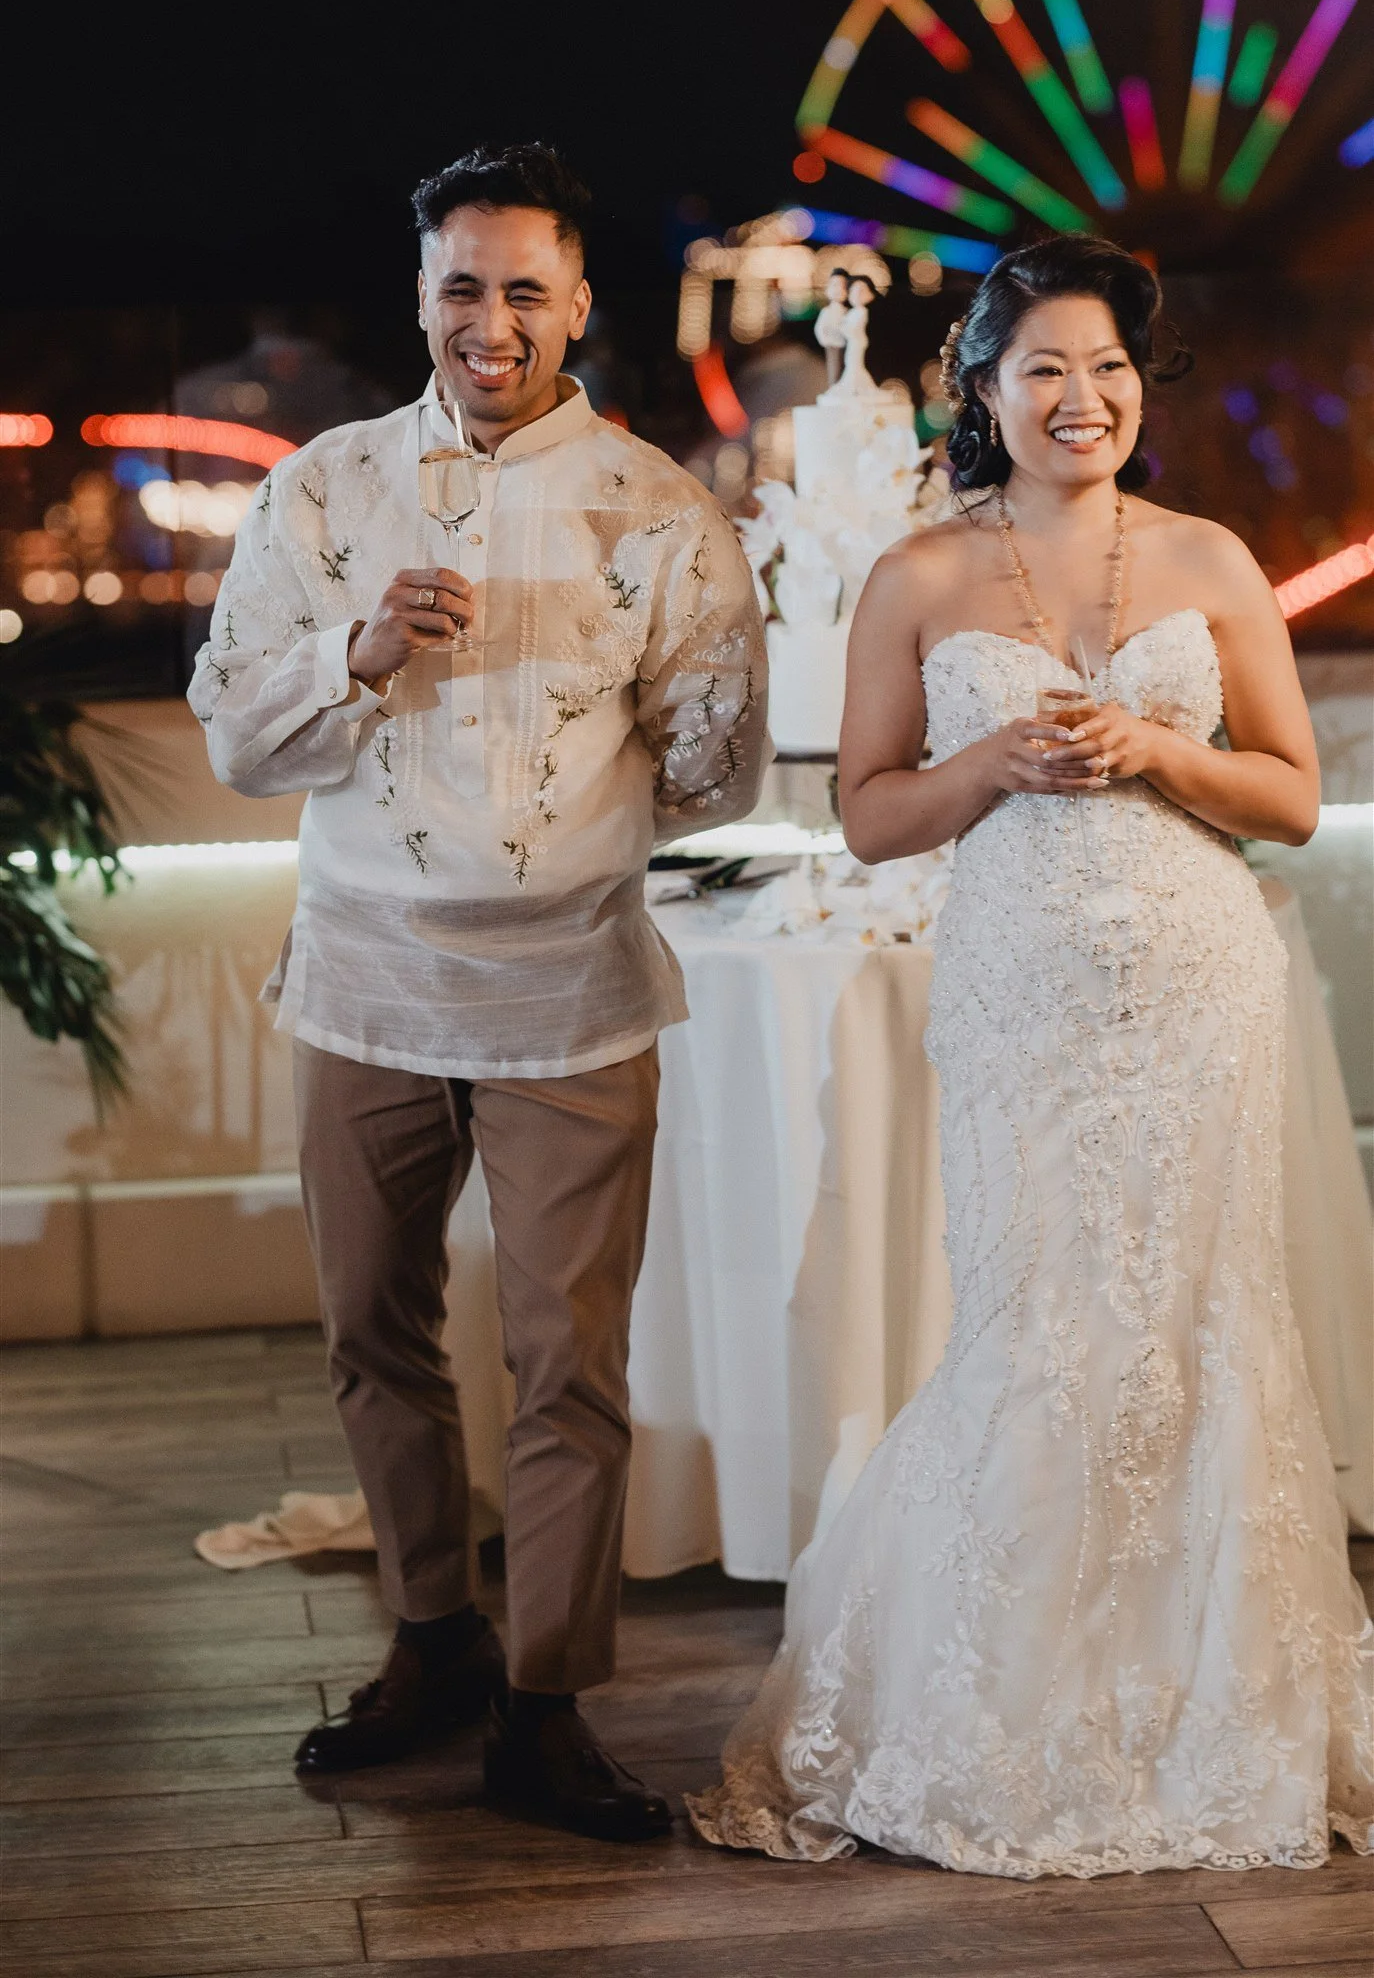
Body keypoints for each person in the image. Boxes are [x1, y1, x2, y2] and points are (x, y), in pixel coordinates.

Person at [688, 236, 1373, 1875]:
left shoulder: (1209, 557)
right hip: (1014, 990)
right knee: (1037, 1318)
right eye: (1046, 369)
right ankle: (998, 1693)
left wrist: (1153, 748)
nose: (1084, 398)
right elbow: (862, 815)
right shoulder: (917, 577)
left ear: (1141, 392)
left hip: (1200, 982)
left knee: (1204, 1318)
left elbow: (1285, 791)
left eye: (1111, 370)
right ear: (983, 391)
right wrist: (990, 756)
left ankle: (1212, 1699)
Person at [189, 143, 768, 1842]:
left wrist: (598, 772)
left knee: (565, 1358)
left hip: (570, 993)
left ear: (579, 303)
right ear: (420, 295)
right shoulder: (319, 489)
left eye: (526, 287)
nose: (491, 318)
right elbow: (232, 727)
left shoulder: (661, 508)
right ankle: (431, 1637)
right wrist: (354, 658)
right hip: (362, 976)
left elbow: (708, 770)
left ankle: (544, 1699)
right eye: (461, 284)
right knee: (374, 1324)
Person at [814, 268, 850, 389]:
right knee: (834, 368)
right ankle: (834, 388)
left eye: (843, 286)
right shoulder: (826, 311)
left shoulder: (847, 312)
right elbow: (819, 328)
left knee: (846, 368)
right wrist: (825, 341)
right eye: (835, 285)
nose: (838, 289)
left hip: (845, 344)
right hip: (833, 345)